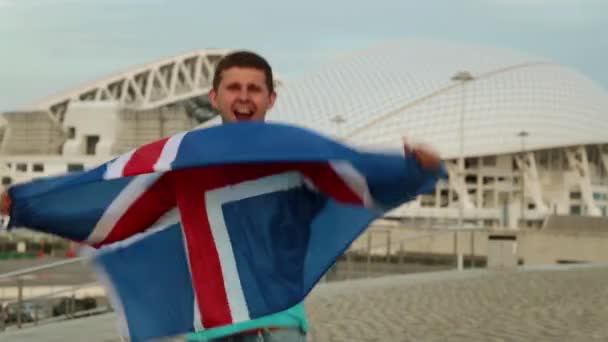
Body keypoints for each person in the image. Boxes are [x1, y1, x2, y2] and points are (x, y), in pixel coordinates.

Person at [0, 51, 441, 341]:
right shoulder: (185, 161)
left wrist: (415, 169)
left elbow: (362, 181)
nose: (244, 97)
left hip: (281, 324)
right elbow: (111, 210)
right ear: (214, 97)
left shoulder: (300, 157)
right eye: (234, 88)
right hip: (213, 332)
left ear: (271, 98)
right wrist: (22, 204)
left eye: (254, 89)